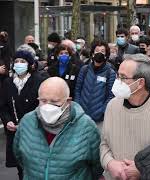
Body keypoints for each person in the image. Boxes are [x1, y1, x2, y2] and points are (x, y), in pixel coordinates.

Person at [13, 77, 103, 179]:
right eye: (43, 100)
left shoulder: (86, 127)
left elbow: (97, 165)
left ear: (68, 101)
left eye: (54, 102)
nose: (48, 106)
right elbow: (20, 157)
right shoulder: (27, 122)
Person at [0, 50, 46, 180]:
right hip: (14, 131)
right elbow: (3, 106)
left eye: (23, 61)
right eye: (16, 61)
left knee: (33, 166)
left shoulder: (38, 81)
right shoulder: (8, 83)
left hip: (34, 131)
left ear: (30, 64)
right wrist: (7, 121)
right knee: (20, 167)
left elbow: (42, 106)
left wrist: (26, 124)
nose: (19, 64)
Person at [74, 40, 116, 129]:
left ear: (106, 54)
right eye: (97, 50)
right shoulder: (84, 69)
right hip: (82, 116)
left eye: (102, 51)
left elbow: (111, 95)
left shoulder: (110, 73)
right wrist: (78, 107)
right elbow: (77, 90)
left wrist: (102, 111)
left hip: (99, 120)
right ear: (92, 53)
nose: (99, 53)